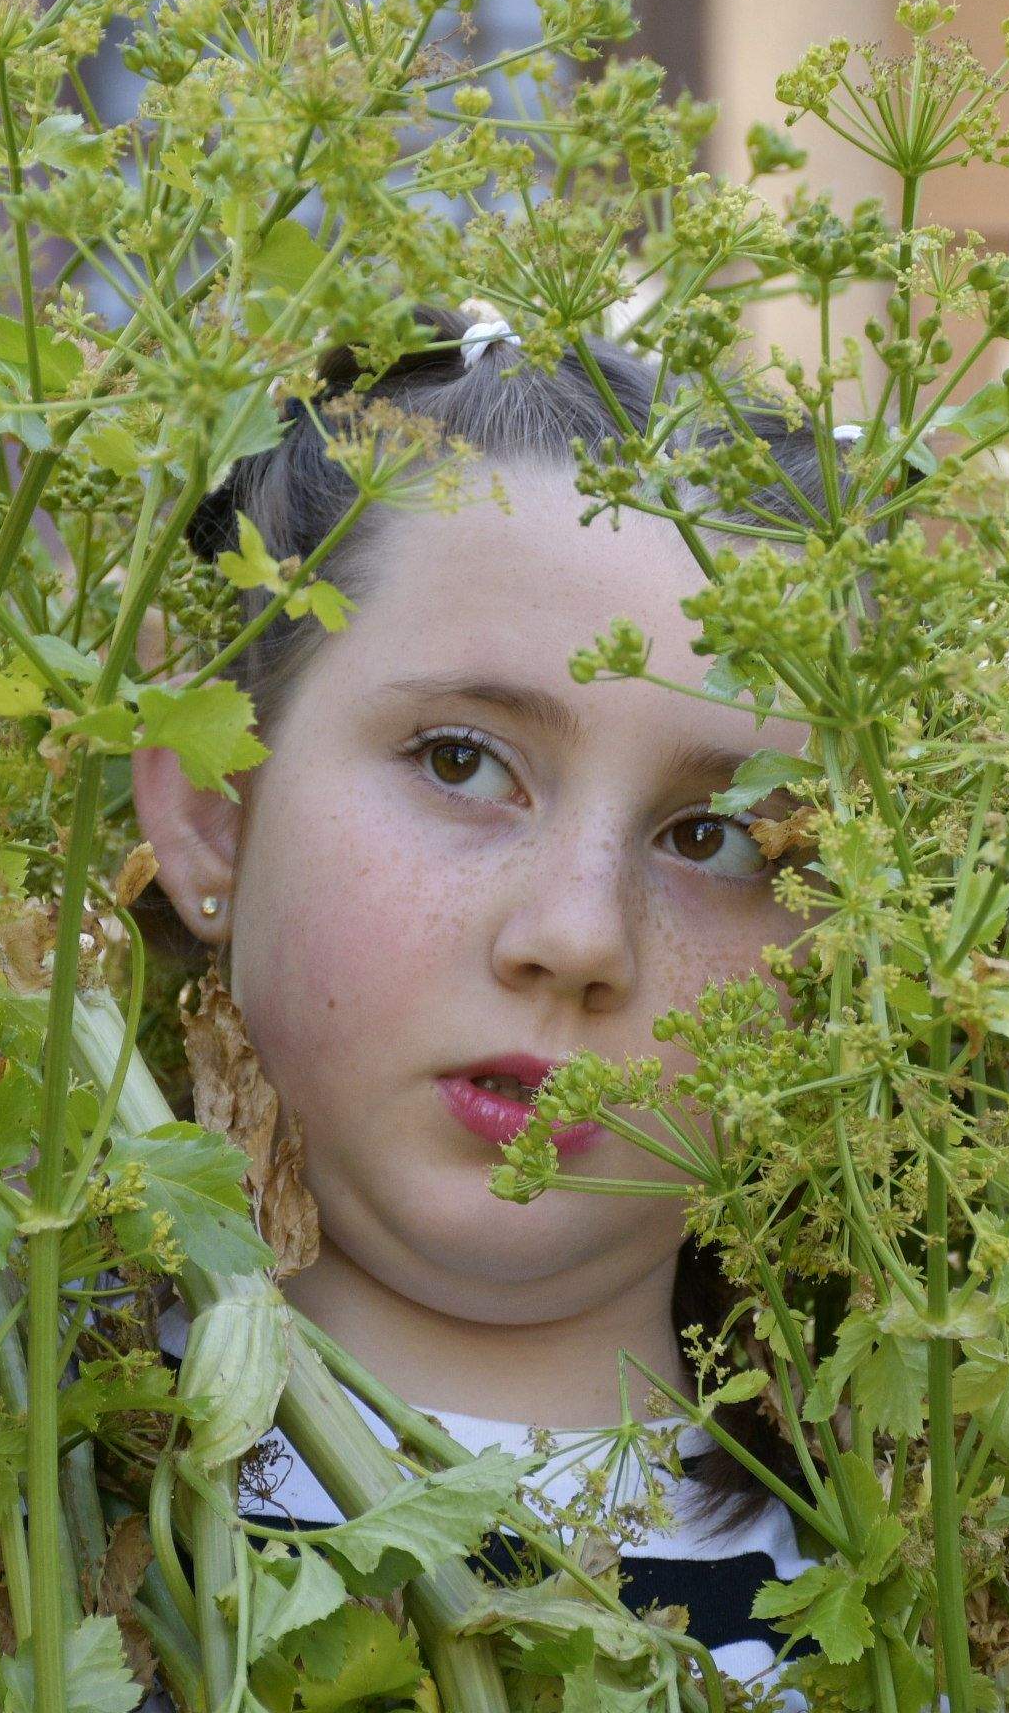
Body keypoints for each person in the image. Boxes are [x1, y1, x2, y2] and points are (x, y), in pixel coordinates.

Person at [118, 298, 842, 1694]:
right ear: (213, 808)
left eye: (720, 839)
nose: (576, 939)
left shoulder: (987, 1590)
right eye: (462, 762)